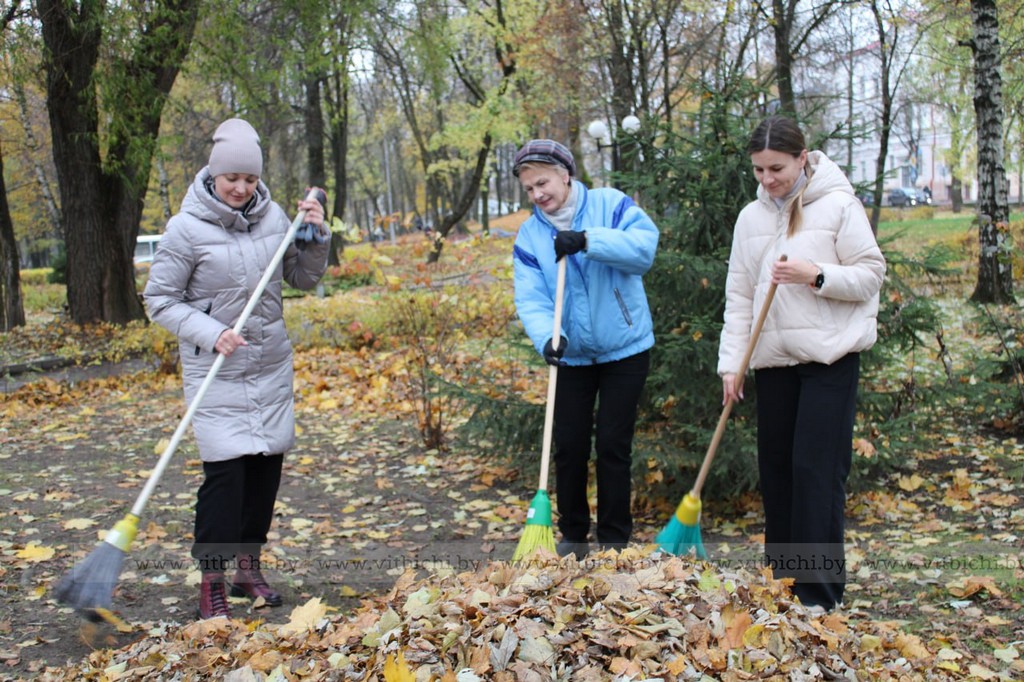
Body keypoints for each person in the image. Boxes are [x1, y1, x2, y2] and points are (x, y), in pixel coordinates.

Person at [143, 118, 330, 620]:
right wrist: (210, 331)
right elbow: (159, 301)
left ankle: (249, 568)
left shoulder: (274, 219)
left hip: (268, 367)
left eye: (250, 179)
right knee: (224, 483)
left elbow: (301, 277)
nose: (241, 188)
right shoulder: (185, 229)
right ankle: (213, 583)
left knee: (264, 476)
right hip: (217, 375)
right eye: (233, 179)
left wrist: (313, 234)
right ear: (214, 173)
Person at [718, 116, 886, 613]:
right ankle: (782, 587)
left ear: (802, 157)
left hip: (829, 359)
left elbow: (870, 274)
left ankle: (819, 596)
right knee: (778, 473)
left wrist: (816, 275)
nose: (767, 179)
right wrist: (733, 365)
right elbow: (738, 297)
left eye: (777, 168)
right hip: (774, 365)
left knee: (815, 471)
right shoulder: (750, 218)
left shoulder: (838, 204)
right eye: (758, 170)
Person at [511, 139, 659, 558]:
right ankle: (573, 535)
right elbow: (531, 298)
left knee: (613, 444)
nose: (538, 194)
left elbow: (644, 250)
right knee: (570, 446)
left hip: (625, 348)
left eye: (542, 182)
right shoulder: (529, 234)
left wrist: (589, 240)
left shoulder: (611, 205)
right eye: (529, 189)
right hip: (570, 354)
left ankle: (614, 540)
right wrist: (547, 337)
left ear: (565, 174)